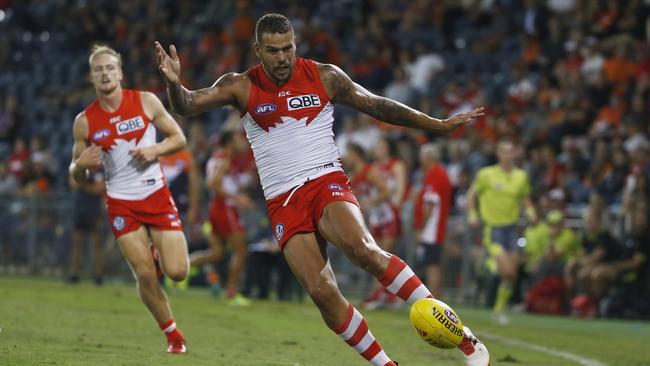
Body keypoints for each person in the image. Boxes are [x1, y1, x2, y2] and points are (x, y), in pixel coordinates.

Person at [156, 13, 488, 365]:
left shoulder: (324, 75)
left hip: (324, 180)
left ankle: (464, 338)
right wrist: (174, 84)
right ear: (258, 50)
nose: (282, 58)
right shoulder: (241, 85)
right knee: (322, 293)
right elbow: (187, 105)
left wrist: (435, 124)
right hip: (282, 201)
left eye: (288, 48)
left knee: (362, 249)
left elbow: (376, 104)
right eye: (273, 51)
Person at [69, 45, 189, 354]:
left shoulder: (146, 101)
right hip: (122, 203)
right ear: (91, 77)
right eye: (99, 69)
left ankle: (157, 248)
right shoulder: (85, 121)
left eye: (110, 67)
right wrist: (81, 165)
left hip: (156, 195)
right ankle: (173, 335)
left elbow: (179, 138)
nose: (105, 73)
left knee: (177, 272)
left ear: (120, 72)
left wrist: (155, 150)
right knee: (146, 274)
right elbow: (75, 175)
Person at [466, 139, 537, 325]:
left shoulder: (521, 176)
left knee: (512, 274)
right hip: (493, 229)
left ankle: (499, 310)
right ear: (498, 154)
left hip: (512, 229)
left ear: (515, 154)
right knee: (506, 270)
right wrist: (472, 215)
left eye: (510, 151)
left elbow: (526, 199)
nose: (507, 155)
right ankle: (491, 263)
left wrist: (531, 213)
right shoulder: (486, 174)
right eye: (503, 151)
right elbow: (471, 196)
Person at [190, 129, 254, 304]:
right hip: (225, 209)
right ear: (229, 142)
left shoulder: (218, 157)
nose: (242, 143)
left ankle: (181, 267)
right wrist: (238, 198)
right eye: (238, 139)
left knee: (216, 253)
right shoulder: (225, 159)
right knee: (241, 251)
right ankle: (231, 293)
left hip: (217, 208)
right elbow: (212, 183)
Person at [343, 143, 395, 309]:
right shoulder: (354, 176)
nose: (346, 158)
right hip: (376, 220)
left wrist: (370, 203)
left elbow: (386, 191)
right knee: (376, 260)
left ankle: (381, 296)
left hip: (388, 218)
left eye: (349, 154)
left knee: (382, 259)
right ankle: (383, 295)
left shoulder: (369, 171)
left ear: (356, 155)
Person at [413, 143, 452, 299]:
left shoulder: (436, 175)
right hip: (433, 229)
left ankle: (434, 300)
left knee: (432, 266)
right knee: (433, 264)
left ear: (428, 157)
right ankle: (437, 299)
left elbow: (430, 204)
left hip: (432, 230)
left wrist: (421, 227)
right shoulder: (437, 174)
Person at [67, 170, 106, 285]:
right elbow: (72, 183)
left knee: (96, 244)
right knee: (76, 243)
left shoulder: (98, 171)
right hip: (79, 208)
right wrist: (88, 186)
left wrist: (82, 185)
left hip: (93, 210)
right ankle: (75, 273)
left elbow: (98, 189)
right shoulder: (78, 166)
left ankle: (98, 274)